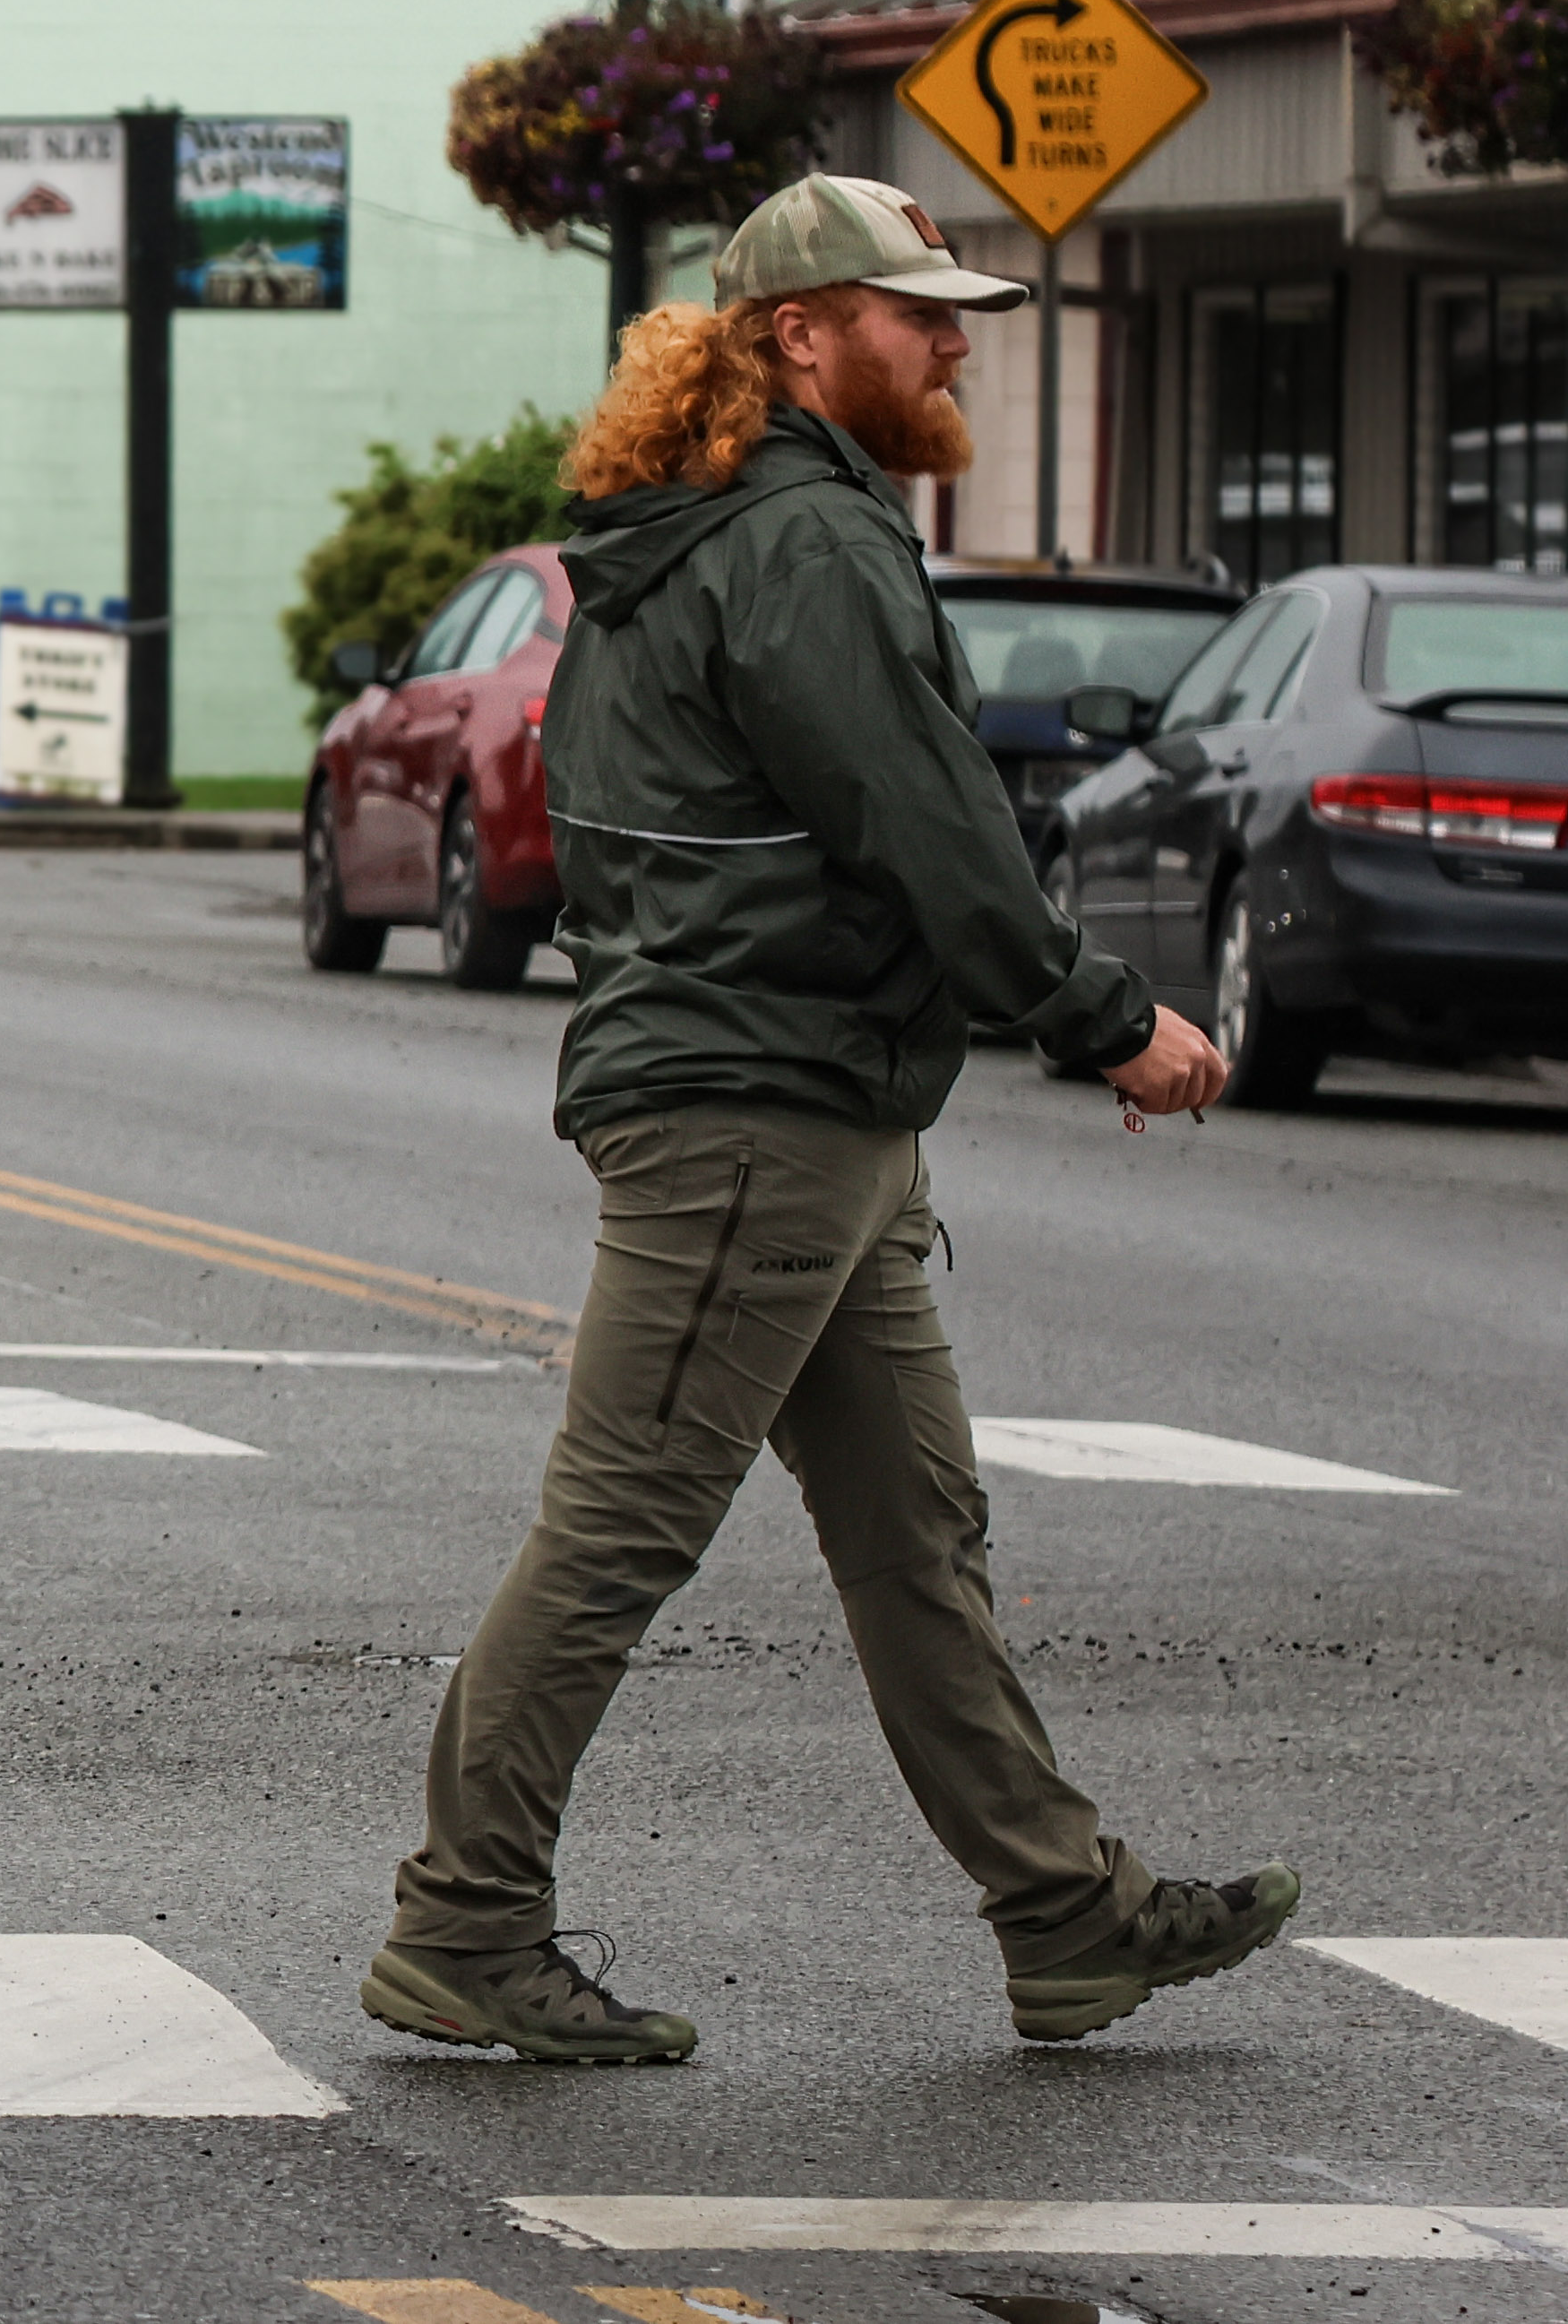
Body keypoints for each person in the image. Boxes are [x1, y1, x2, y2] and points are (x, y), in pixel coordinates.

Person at [366, 173, 1294, 2067]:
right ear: (801, 333)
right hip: (753, 1109)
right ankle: (462, 1919)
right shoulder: (798, 542)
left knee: (910, 1534)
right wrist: (1102, 1021)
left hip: (800, 1101)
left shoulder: (688, 531)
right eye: (915, 311)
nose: (952, 341)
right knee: (620, 1526)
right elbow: (923, 820)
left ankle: (1063, 1914)